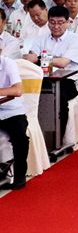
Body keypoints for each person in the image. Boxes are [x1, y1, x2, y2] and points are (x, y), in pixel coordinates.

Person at [24, 6, 78, 136]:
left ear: (68, 22)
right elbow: (31, 58)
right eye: (52, 22)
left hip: (66, 82)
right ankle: (32, 135)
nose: (56, 26)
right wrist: (47, 59)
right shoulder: (41, 39)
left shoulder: (75, 39)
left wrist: (40, 58)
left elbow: (63, 63)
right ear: (48, 22)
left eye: (60, 22)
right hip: (42, 79)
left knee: (58, 99)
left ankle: (58, 138)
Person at [0, 53, 30, 190]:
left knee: (20, 138)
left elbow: (18, 90)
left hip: (12, 110)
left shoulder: (8, 63)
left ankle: (19, 174)